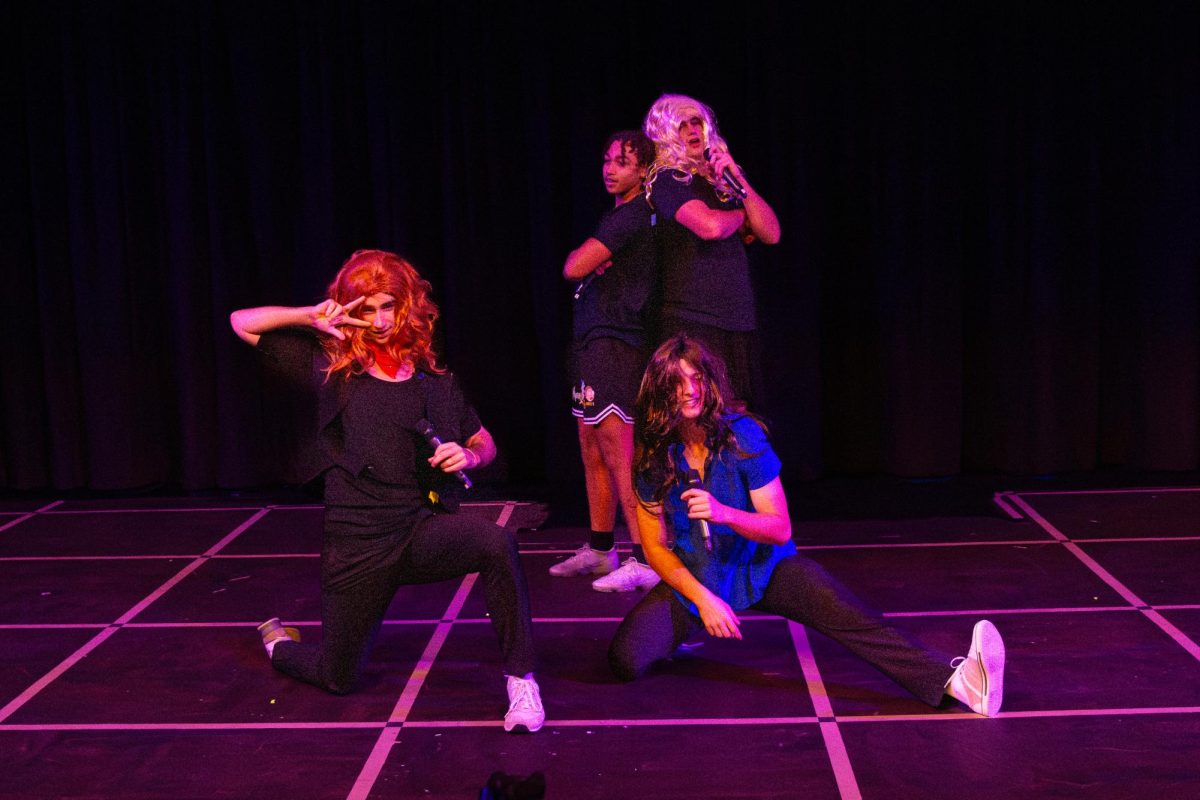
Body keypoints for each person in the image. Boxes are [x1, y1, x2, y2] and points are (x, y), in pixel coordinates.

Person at [608, 334, 1006, 717]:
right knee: (624, 660)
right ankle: (679, 633)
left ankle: (962, 683)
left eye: (697, 378)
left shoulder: (742, 436)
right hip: (699, 577)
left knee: (852, 616)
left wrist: (724, 513)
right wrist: (702, 599)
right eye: (677, 382)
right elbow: (655, 547)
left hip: (764, 568)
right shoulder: (655, 456)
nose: (689, 390)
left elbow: (779, 528)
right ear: (661, 390)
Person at [230, 249, 543, 733]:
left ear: (406, 307)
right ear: (349, 308)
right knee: (339, 677)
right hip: (356, 545)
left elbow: (484, 440)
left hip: (418, 533)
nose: (377, 321)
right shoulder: (329, 369)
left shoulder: (431, 380)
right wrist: (307, 316)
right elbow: (241, 322)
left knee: (495, 542)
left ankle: (521, 682)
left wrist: (472, 454)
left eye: (387, 307)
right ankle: (281, 646)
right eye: (366, 308)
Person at [550, 130, 661, 593]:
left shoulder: (635, 215)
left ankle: (647, 557)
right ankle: (600, 549)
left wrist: (585, 256)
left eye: (622, 161)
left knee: (620, 451)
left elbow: (573, 266)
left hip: (618, 341)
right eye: (607, 160)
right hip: (593, 338)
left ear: (643, 171)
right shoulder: (615, 215)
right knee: (591, 445)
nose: (610, 168)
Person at [642, 93, 781, 411]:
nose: (693, 129)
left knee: (736, 413)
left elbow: (771, 232)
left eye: (698, 121)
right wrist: (739, 217)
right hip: (693, 316)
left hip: (735, 316)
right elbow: (709, 226)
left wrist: (738, 179)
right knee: (699, 412)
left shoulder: (724, 182)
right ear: (666, 133)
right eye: (683, 124)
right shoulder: (667, 180)